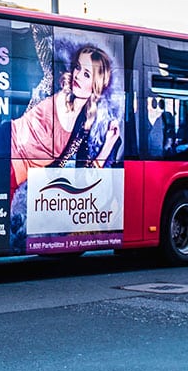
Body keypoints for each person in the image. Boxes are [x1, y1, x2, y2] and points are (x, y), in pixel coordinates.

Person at [9, 44, 122, 250]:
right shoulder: (58, 93)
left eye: (86, 73)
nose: (78, 75)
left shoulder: (84, 124)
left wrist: (108, 146)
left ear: (96, 84)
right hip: (3, 153)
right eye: (77, 68)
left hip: (15, 176)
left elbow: (83, 176)